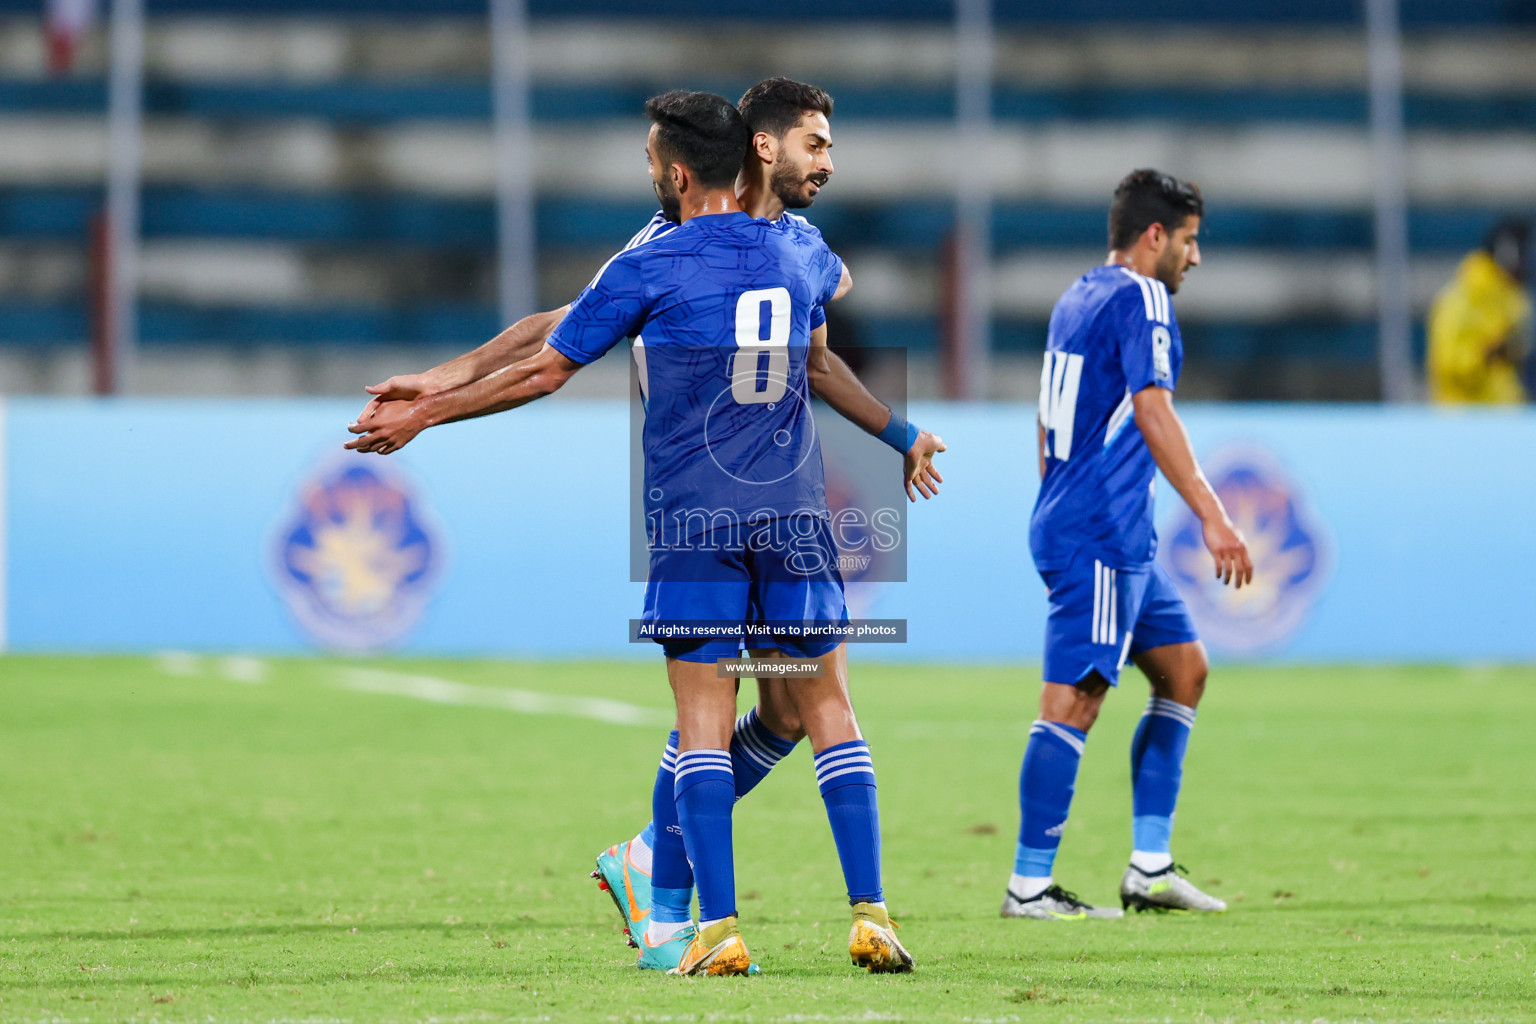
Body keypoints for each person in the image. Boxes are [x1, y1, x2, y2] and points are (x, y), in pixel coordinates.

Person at [349, 77, 944, 971]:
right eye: (816, 145)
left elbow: (555, 360)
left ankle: (707, 917)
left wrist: (432, 408)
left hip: (696, 515)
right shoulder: (804, 252)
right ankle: (804, 904)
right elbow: (568, 327)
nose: (827, 161)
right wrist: (440, 381)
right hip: (790, 515)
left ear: (674, 171)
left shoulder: (661, 260)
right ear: (758, 152)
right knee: (819, 705)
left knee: (722, 716)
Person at [1003, 169, 1253, 921]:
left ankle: (1148, 868)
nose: (1195, 258)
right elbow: (1152, 408)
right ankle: (1030, 885)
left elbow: (1051, 416)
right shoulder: (1144, 297)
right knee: (1075, 697)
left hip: (1104, 525)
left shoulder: (1077, 294)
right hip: (1101, 529)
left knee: (1183, 670)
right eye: (1189, 240)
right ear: (1155, 237)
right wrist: (1212, 513)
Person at [1428, 218, 1532, 405]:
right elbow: (1447, 368)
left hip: (1506, 417)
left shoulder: (1515, 299)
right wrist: (1488, 355)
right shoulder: (1460, 300)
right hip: (1466, 422)